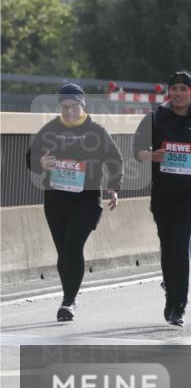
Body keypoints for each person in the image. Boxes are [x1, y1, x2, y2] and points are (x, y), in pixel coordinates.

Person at [25, 83, 122, 321]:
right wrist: (41, 164)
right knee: (63, 252)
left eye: (74, 106)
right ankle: (70, 296)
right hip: (56, 198)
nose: (69, 111)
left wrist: (113, 186)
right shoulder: (50, 130)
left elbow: (115, 160)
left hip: (87, 197)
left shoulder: (96, 131)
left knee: (73, 245)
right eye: (65, 107)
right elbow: (31, 158)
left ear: (82, 105)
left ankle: (68, 302)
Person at [133, 72, 191, 326]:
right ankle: (171, 293)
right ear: (168, 93)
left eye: (183, 88)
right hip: (163, 193)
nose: (178, 93)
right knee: (169, 246)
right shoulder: (156, 118)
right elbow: (136, 150)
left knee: (181, 245)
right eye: (174, 89)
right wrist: (151, 156)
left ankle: (177, 308)